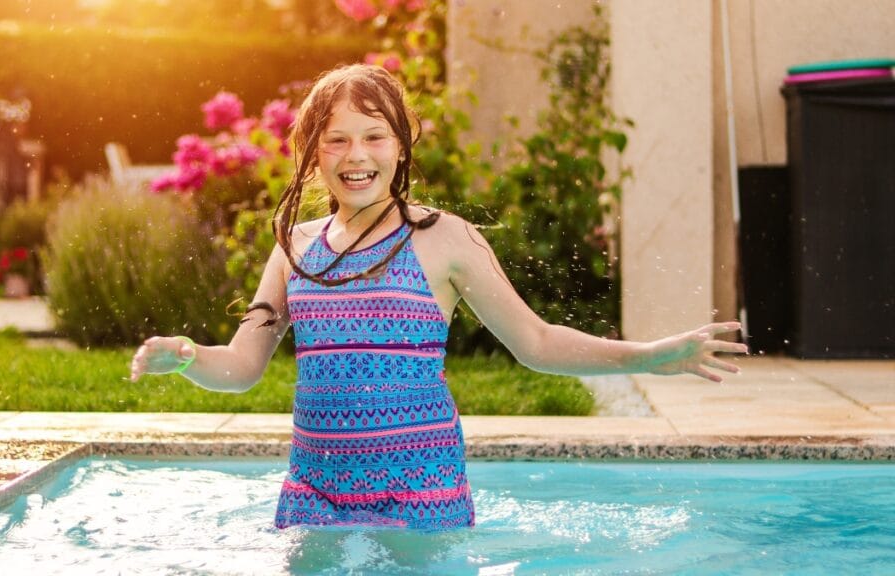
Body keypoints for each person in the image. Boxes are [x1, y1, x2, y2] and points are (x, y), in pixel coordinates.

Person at [129, 64, 747, 531]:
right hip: (314, 491)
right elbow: (241, 368)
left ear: (400, 144)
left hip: (419, 490)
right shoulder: (295, 246)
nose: (357, 156)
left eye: (373, 136)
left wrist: (645, 357)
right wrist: (187, 355)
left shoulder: (443, 239)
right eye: (337, 140)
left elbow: (534, 342)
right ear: (313, 154)